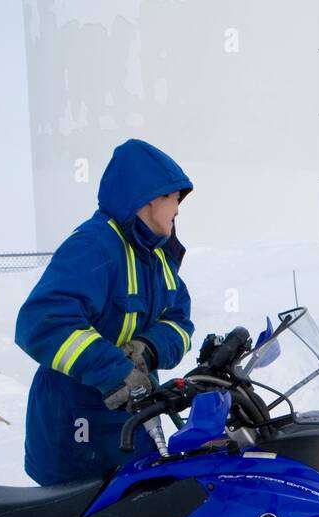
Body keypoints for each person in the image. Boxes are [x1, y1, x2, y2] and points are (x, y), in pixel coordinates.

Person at [15, 139, 196, 486]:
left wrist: (148, 348)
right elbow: (42, 321)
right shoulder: (94, 246)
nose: (178, 206)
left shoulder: (158, 257)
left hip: (131, 425)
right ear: (149, 196)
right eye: (174, 196)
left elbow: (180, 320)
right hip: (76, 431)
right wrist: (114, 371)